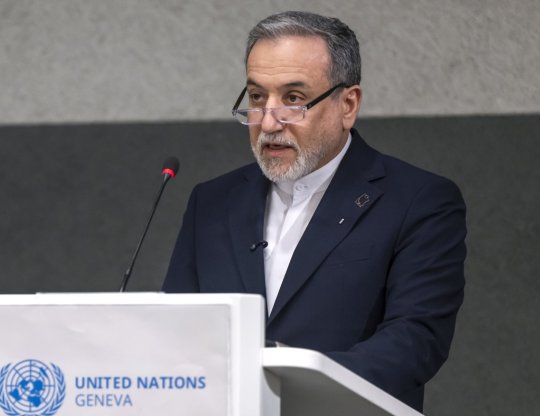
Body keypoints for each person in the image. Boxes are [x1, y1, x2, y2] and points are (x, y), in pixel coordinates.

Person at [161, 11, 466, 412]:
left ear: (348, 104)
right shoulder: (213, 202)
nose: (269, 120)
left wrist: (283, 377)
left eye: (294, 99)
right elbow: (174, 332)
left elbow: (414, 342)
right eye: (256, 97)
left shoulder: (418, 200)